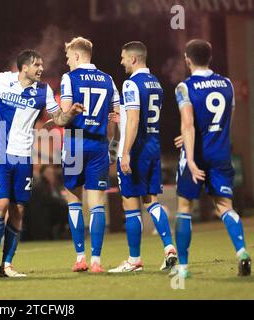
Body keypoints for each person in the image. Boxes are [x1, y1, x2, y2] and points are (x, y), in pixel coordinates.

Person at [0, 49, 83, 278]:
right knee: (0, 204)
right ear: (23, 67)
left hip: (23, 157)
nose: (41, 69)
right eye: (37, 65)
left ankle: (7, 264)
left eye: (42, 64)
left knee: (18, 210)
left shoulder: (44, 91)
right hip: (0, 156)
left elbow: (59, 119)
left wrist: (69, 113)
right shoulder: (4, 80)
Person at [173, 39, 251, 278]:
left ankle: (183, 268)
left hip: (195, 155)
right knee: (225, 207)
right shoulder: (227, 84)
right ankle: (241, 252)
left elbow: (188, 125)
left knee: (185, 208)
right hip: (220, 153)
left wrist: (192, 158)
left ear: (187, 59)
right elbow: (227, 120)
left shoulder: (184, 88)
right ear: (210, 58)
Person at [108, 41, 178, 273]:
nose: (121, 62)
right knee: (151, 200)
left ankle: (134, 259)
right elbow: (141, 116)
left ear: (134, 59)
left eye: (123, 58)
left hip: (136, 149)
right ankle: (169, 247)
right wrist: (124, 119)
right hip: (153, 147)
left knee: (130, 204)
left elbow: (136, 120)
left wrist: (125, 152)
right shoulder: (155, 82)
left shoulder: (131, 84)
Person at [60, 37, 119, 273]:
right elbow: (115, 118)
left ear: (76, 55)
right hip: (99, 146)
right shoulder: (108, 79)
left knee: (74, 201)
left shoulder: (69, 79)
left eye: (67, 57)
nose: (67, 62)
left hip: (75, 144)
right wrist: (112, 146)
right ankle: (96, 261)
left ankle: (80, 258)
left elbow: (65, 115)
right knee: (97, 205)